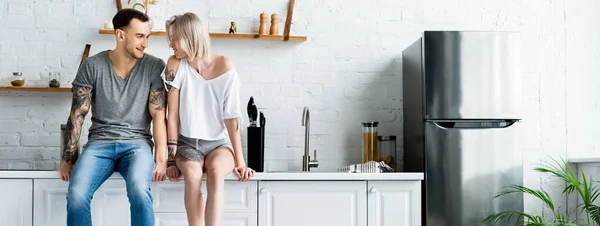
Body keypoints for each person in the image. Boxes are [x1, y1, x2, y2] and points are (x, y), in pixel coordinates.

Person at [59, 8, 168, 226]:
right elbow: (78, 114)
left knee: (139, 190)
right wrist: (67, 158)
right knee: (76, 195)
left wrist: (161, 158)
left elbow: (159, 116)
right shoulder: (92, 66)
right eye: (139, 36)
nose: (145, 43)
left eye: (147, 37)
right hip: (100, 145)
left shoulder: (154, 66)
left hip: (137, 146)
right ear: (120, 35)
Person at [162, 12, 255, 226]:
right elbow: (172, 115)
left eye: (174, 38)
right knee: (193, 177)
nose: (170, 44)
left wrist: (241, 162)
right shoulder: (176, 64)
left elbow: (232, 119)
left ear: (188, 37)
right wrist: (170, 159)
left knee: (215, 175)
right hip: (186, 144)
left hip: (219, 146)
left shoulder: (225, 65)